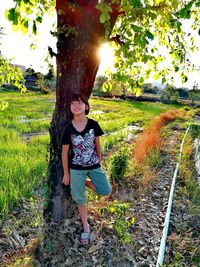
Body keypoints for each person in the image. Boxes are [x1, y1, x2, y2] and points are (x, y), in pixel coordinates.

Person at [61, 93, 112, 245]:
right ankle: (86, 226)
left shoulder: (93, 124)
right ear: (70, 108)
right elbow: (64, 152)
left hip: (94, 165)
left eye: (80, 103)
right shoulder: (68, 128)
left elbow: (97, 144)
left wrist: (100, 162)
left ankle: (84, 182)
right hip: (76, 168)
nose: (76, 106)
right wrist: (66, 173)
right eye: (73, 104)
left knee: (105, 190)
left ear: (86, 106)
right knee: (79, 198)